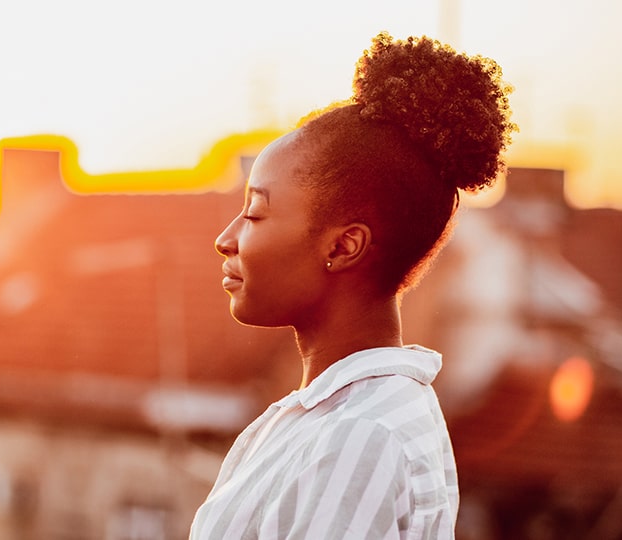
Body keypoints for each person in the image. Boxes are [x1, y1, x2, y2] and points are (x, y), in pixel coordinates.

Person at [190, 32, 516, 539]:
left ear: (344, 247)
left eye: (255, 213)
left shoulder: (362, 434)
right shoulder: (326, 417)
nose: (225, 239)